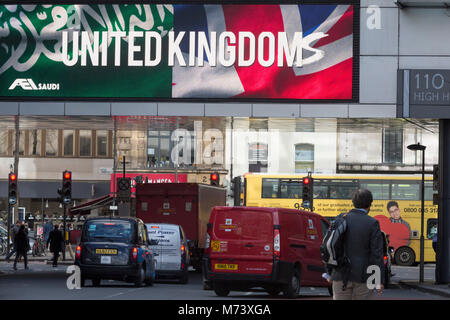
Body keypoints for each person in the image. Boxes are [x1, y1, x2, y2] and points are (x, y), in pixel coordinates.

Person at [331, 189, 385, 300]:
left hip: (340, 274)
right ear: (370, 204)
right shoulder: (372, 223)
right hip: (365, 276)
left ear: (353, 202)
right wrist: (379, 280)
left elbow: (330, 246)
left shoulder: (341, 219)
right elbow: (377, 254)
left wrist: (329, 272)